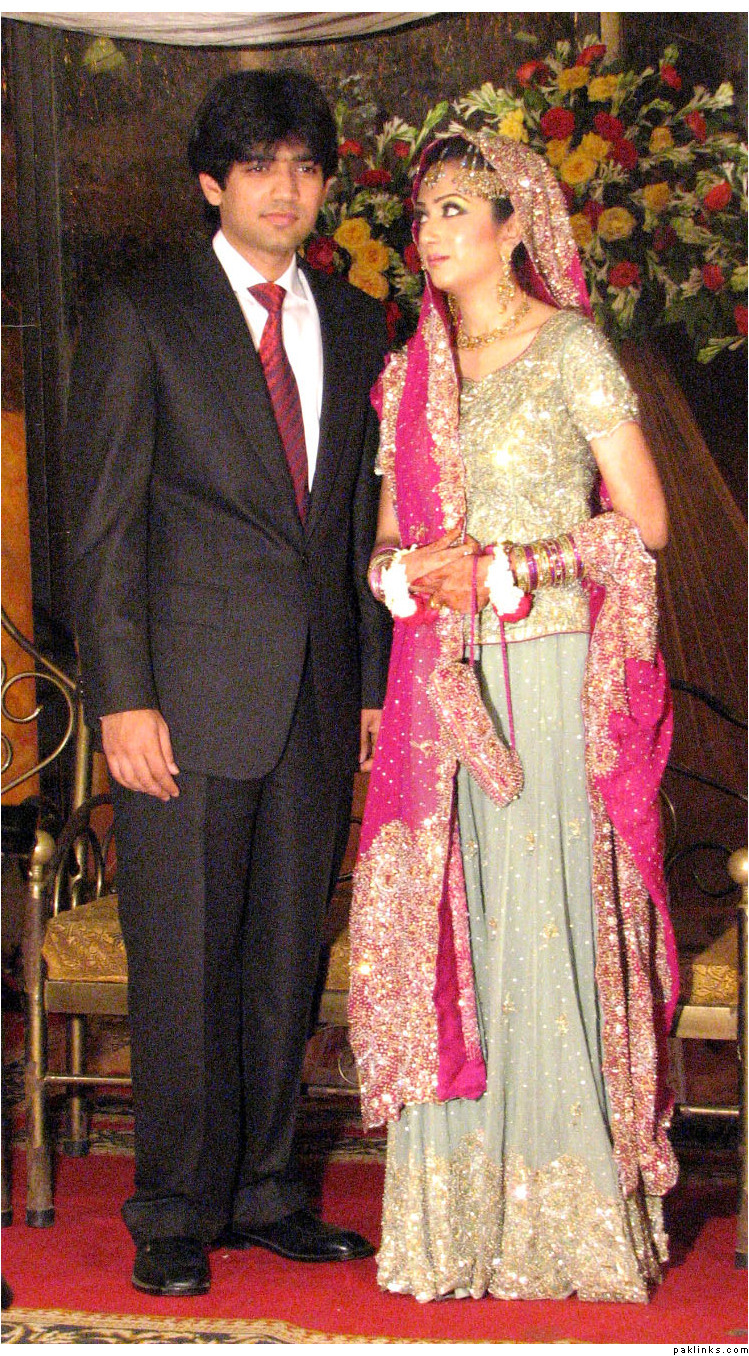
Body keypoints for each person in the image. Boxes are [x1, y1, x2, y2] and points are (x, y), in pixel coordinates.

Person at [64, 68, 391, 1297]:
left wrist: (370, 686)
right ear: (212, 183)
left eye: (303, 167)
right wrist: (121, 697)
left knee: (282, 958)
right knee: (185, 960)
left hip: (316, 697)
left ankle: (264, 1189)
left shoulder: (356, 322)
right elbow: (104, 527)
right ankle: (172, 1205)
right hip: (182, 701)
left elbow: (352, 523)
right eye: (259, 168)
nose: (284, 189)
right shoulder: (143, 312)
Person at [349, 130, 679, 1303]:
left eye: (454, 210)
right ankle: (456, 1228)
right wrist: (402, 575)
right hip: (437, 690)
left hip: (543, 677)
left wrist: (507, 566)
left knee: (542, 925)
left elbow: (642, 522)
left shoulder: (568, 348)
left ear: (510, 227)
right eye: (423, 212)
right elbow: (388, 541)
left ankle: (565, 1223)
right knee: (456, 935)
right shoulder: (409, 374)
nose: (429, 232)